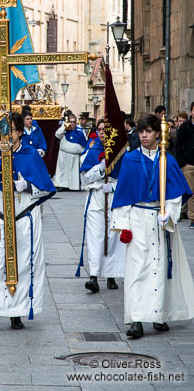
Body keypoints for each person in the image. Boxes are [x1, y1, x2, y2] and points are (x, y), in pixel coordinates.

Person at [111, 114, 194, 339]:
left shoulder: (167, 159)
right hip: (137, 218)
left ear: (158, 133)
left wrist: (169, 215)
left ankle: (158, 315)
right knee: (136, 269)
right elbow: (122, 195)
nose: (144, 136)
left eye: (148, 131)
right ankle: (136, 319)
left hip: (159, 218)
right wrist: (124, 226)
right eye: (141, 132)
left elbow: (176, 194)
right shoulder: (130, 159)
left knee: (158, 268)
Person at [0, 112, 56, 332]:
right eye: (3, 130)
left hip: (23, 219)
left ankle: (16, 313)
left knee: (21, 266)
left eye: (11, 130)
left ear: (20, 132)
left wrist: (28, 186)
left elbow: (47, 188)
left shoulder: (30, 154)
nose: (7, 135)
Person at [75, 118, 125, 292]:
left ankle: (111, 275)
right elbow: (86, 178)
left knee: (113, 237)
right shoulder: (94, 149)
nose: (102, 132)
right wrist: (101, 167)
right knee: (95, 237)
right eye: (100, 129)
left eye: (105, 129)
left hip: (114, 198)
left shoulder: (121, 152)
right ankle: (94, 276)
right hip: (96, 198)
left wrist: (112, 186)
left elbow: (128, 180)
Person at [53, 114, 87, 191]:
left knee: (73, 172)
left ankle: (73, 186)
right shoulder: (64, 131)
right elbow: (57, 134)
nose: (72, 124)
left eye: (73, 122)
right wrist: (64, 127)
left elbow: (84, 145)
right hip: (64, 154)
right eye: (70, 122)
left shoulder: (80, 132)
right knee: (63, 171)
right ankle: (62, 185)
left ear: (76, 123)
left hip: (75, 156)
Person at [176, 102, 194, 229]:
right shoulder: (185, 127)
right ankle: (193, 218)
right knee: (192, 193)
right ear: (191, 112)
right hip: (188, 164)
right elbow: (178, 145)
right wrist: (182, 162)